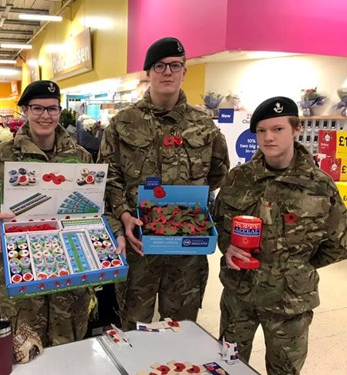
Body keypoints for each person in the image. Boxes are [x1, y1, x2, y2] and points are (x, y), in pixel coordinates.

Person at [97, 37, 230, 330]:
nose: (167, 72)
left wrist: (190, 203)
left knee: (182, 328)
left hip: (186, 246)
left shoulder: (203, 125)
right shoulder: (123, 123)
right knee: (134, 325)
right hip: (139, 242)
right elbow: (108, 176)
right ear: (148, 72)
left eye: (175, 65)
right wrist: (123, 214)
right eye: (159, 66)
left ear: (184, 71)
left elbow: (219, 171)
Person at [213, 96, 347, 374]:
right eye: (261, 131)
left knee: (284, 371)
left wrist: (299, 263)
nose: (268, 137)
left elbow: (341, 240)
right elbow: (219, 221)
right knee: (228, 367)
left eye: (277, 129)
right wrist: (227, 248)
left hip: (290, 302)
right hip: (239, 296)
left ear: (296, 130)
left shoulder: (318, 185)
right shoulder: (239, 178)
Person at [0, 80, 93, 347]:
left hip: (69, 271)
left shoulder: (81, 157)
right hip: (21, 268)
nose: (45, 115)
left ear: (60, 111)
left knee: (70, 349)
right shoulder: (2, 155)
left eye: (52, 109)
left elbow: (95, 206)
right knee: (24, 348)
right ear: (25, 109)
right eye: (37, 108)